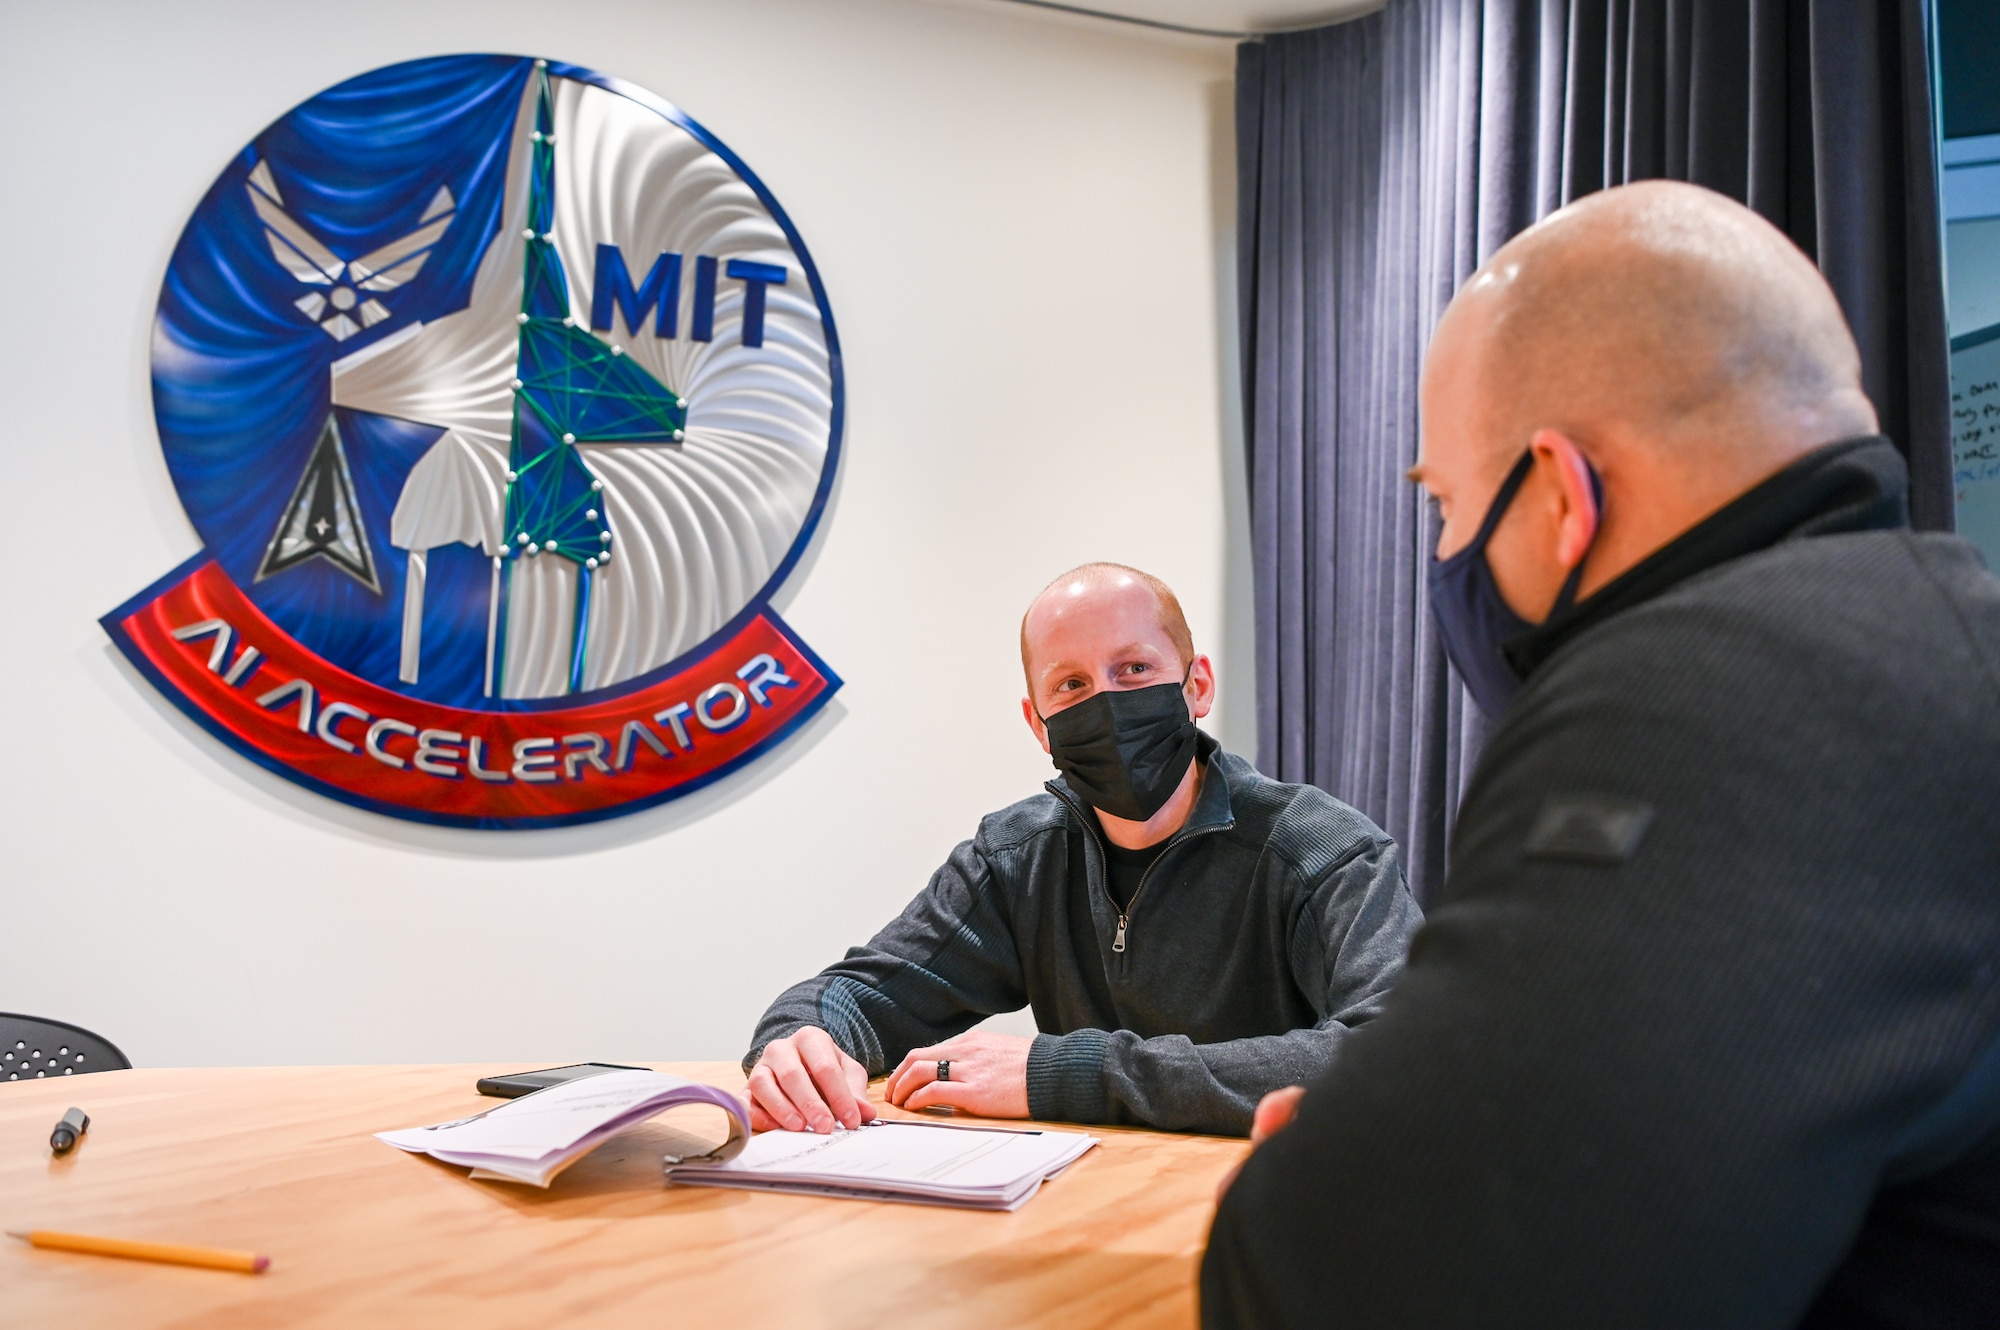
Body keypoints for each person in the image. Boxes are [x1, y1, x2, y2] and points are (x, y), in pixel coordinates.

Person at [1202, 180, 2000, 1327]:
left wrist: (1321, 1181)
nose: (1444, 553)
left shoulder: (1713, 698)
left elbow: (1359, 1279)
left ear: (1563, 496)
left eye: (1446, 505)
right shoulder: (1937, 650)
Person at [742, 563, 1422, 1137]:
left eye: (1133, 669)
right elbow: (862, 995)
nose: (1106, 704)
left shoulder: (1323, 850)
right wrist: (801, 1043)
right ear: (1038, 724)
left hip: (1279, 1211)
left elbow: (1403, 1053)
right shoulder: (1016, 858)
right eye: (1071, 686)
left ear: (1197, 686)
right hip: (1096, 1207)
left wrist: (1071, 1074)